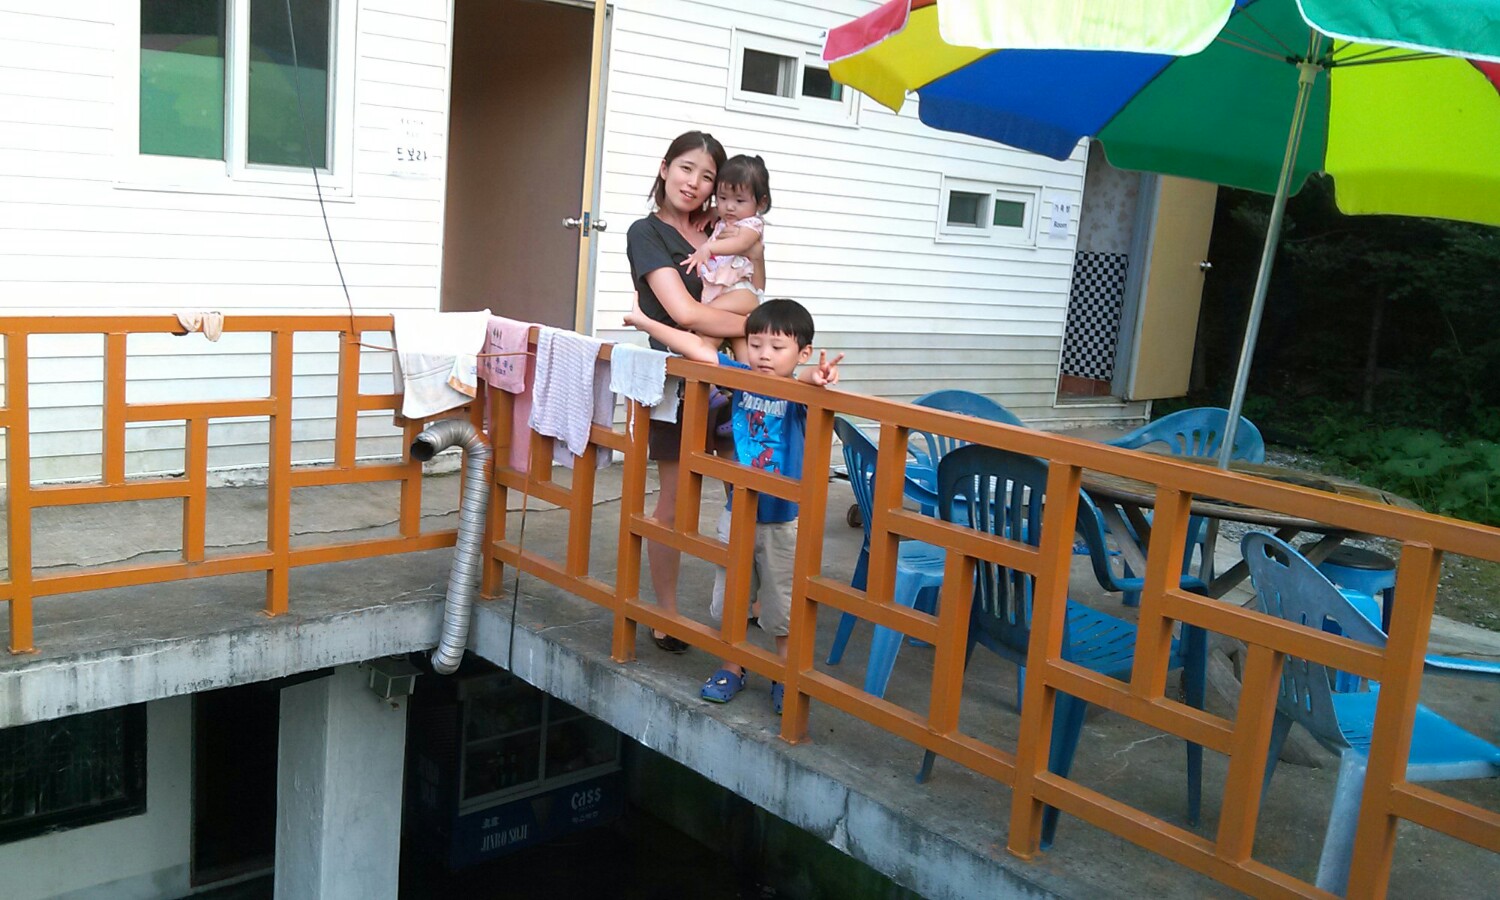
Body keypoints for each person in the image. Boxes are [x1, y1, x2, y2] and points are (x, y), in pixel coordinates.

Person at [624, 298, 843, 714]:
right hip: (737, 511)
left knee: (781, 603)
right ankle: (732, 667)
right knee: (731, 598)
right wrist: (645, 322)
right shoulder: (742, 379)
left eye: (777, 348)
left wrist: (819, 378)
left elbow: (812, 384)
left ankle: (784, 673)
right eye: (756, 344)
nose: (764, 355)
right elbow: (699, 349)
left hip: (783, 520)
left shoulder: (799, 393)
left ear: (803, 353)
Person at [625, 131, 766, 653]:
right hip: (678, 384)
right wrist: (750, 323)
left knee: (747, 492)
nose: (695, 183)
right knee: (675, 502)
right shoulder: (647, 233)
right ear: (665, 168)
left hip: (734, 381)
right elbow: (682, 314)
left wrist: (748, 309)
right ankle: (665, 614)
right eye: (686, 169)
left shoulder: (720, 226)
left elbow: (758, 284)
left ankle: (750, 601)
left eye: (708, 176)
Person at [681, 154, 771, 328]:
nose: (729, 206)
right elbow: (722, 209)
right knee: (715, 332)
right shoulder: (727, 218)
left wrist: (709, 248)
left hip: (740, 290)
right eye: (722, 198)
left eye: (739, 200)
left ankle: (683, 335)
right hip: (723, 290)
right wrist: (713, 211)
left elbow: (741, 243)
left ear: (761, 203)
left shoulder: (752, 224)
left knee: (704, 315)